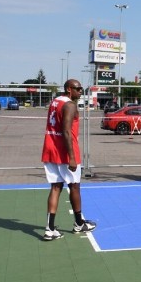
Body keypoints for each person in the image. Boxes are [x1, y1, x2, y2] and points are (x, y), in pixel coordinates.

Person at [40, 79, 96, 240]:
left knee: (56, 187)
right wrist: (71, 157)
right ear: (69, 89)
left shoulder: (55, 101)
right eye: (78, 89)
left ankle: (49, 229)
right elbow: (66, 131)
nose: (80, 92)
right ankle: (79, 223)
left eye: (81, 89)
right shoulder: (70, 105)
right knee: (74, 186)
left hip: (50, 147)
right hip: (65, 150)